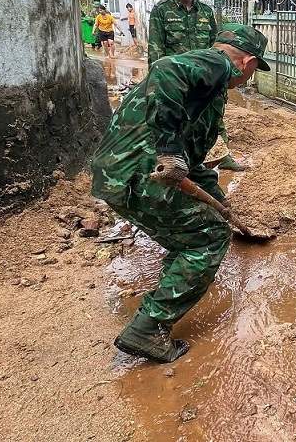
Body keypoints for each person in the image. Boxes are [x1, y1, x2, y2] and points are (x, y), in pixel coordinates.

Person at [90, 25, 271, 362]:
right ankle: (148, 328)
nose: (248, 77)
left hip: (118, 173)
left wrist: (219, 201)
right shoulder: (219, 65)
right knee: (209, 237)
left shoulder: (209, 88)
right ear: (246, 61)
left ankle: (179, 274)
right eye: (253, 70)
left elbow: (194, 161)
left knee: (198, 225)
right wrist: (169, 150)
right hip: (140, 174)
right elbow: (165, 68)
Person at [149, 0, 246, 172]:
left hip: (205, 76)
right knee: (179, 119)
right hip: (178, 78)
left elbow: (216, 45)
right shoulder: (162, 10)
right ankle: (184, 163)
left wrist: (220, 75)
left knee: (214, 117)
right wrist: (157, 83)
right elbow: (156, 49)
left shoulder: (206, 12)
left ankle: (224, 155)